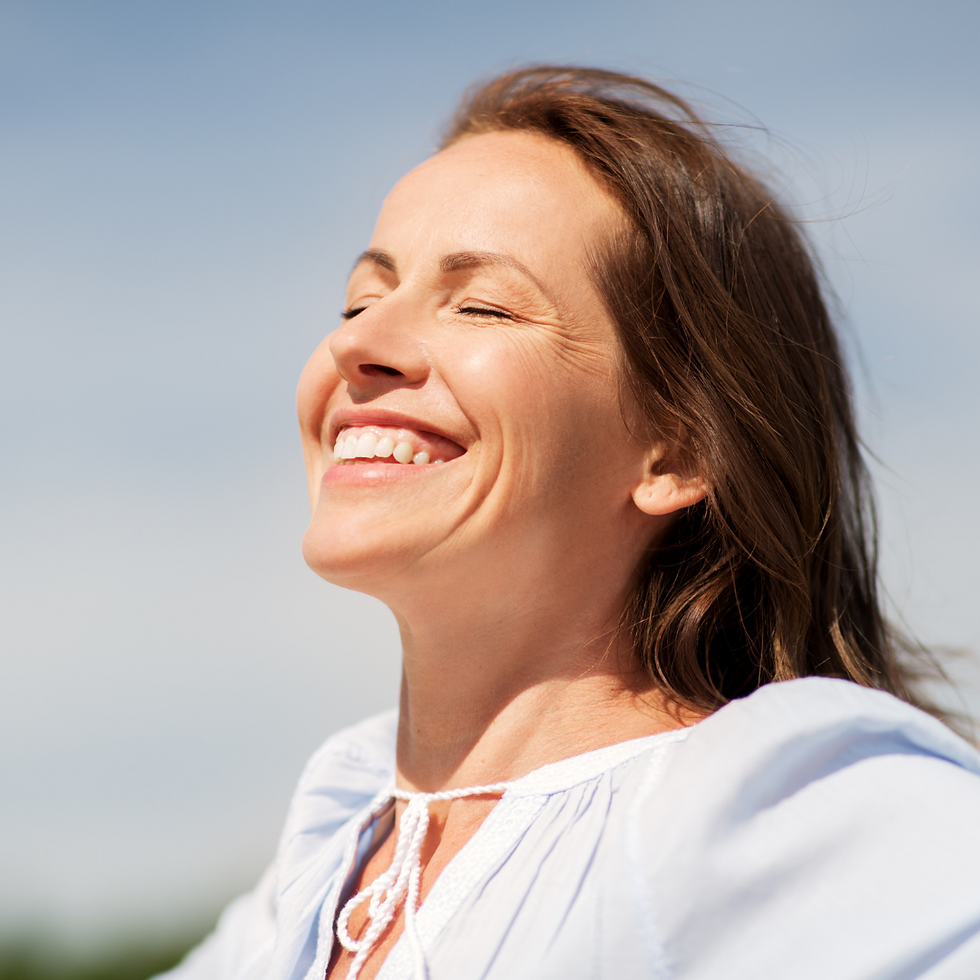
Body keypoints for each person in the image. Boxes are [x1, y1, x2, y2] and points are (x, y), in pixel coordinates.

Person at [159, 67, 980, 980]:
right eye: (360, 299)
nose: (356, 343)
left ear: (677, 451)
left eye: (481, 305)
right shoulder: (326, 855)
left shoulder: (758, 807)